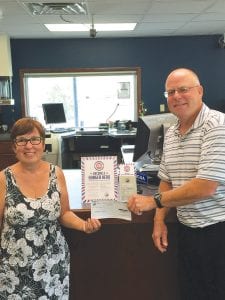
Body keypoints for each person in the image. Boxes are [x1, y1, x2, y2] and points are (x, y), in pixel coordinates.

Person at [128, 68, 225, 300]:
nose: (176, 96)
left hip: (217, 230)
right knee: (191, 292)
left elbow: (206, 186)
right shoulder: (172, 132)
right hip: (187, 229)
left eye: (183, 89)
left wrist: (153, 202)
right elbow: (167, 179)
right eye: (170, 92)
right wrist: (159, 219)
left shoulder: (217, 126)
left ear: (200, 91)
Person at [0, 117, 101, 299]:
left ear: (43, 144)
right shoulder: (3, 179)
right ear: (14, 146)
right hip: (14, 265)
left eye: (34, 139)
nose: (29, 146)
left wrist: (84, 226)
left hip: (53, 263)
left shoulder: (56, 173)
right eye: (21, 140)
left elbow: (64, 213)